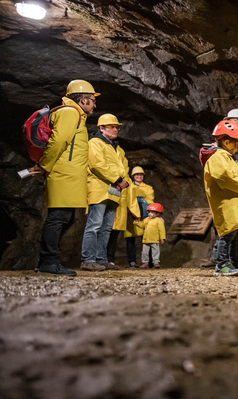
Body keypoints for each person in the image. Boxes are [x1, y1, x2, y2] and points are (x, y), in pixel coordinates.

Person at [33, 79, 99, 276]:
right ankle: (48, 262)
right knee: (58, 218)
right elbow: (59, 141)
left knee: (66, 218)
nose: (95, 104)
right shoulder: (69, 113)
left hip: (70, 174)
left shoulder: (75, 114)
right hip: (63, 173)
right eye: (93, 100)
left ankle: (46, 260)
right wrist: (44, 166)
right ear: (83, 99)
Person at [200, 119, 238, 276]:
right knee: (227, 235)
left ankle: (237, 263)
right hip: (226, 205)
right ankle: (222, 265)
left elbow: (237, 176)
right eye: (236, 144)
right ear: (226, 142)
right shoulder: (216, 158)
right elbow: (225, 178)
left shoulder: (227, 157)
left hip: (235, 205)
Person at [80, 113, 129, 271]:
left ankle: (101, 259)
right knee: (94, 225)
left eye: (116, 127)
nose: (116, 130)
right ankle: (88, 260)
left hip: (113, 191)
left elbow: (119, 167)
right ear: (101, 128)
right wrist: (118, 180)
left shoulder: (113, 146)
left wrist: (120, 182)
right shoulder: (95, 142)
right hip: (99, 188)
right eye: (112, 127)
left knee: (106, 228)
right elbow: (97, 165)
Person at [107, 166, 153, 268]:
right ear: (133, 176)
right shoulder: (128, 186)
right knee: (130, 240)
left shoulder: (148, 188)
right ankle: (132, 262)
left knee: (147, 239)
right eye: (137, 175)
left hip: (143, 216)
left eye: (141, 175)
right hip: (131, 217)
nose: (139, 176)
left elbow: (150, 201)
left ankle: (149, 262)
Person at [134, 203, 166, 269]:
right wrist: (137, 223)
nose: (149, 214)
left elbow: (161, 230)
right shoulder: (147, 219)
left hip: (154, 239)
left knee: (155, 251)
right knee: (144, 252)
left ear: (157, 214)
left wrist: (162, 238)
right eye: (149, 212)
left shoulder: (159, 221)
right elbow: (142, 225)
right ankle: (145, 263)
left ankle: (156, 262)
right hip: (146, 239)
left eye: (152, 212)